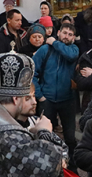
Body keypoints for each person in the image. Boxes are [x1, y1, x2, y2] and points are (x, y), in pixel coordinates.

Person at [33, 23, 79, 161]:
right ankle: (48, 162)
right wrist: (40, 96)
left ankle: (72, 165)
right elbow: (32, 73)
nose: (66, 36)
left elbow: (70, 56)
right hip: (47, 100)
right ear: (58, 32)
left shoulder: (74, 49)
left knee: (70, 136)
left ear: (74, 38)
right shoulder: (45, 50)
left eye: (70, 35)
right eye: (64, 33)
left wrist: (54, 43)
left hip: (67, 100)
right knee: (46, 134)